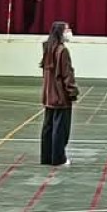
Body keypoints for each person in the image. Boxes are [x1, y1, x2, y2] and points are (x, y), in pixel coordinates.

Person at [40, 21, 79, 166]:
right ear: (60, 32)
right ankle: (58, 158)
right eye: (67, 29)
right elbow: (67, 74)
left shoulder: (48, 48)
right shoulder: (62, 51)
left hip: (48, 95)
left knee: (48, 127)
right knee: (60, 129)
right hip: (60, 96)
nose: (69, 32)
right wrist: (72, 92)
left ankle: (46, 157)